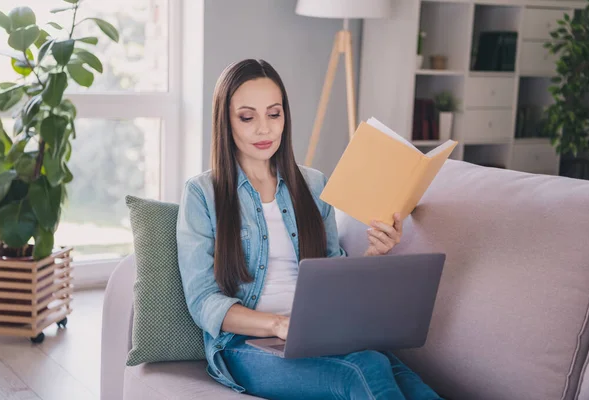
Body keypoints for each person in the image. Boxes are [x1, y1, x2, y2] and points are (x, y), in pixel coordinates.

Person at [176, 59, 442, 400]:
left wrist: (374, 255)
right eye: (247, 117)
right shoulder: (202, 193)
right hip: (247, 345)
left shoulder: (313, 185)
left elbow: (331, 273)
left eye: (274, 114)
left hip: (323, 333)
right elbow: (202, 301)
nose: (264, 129)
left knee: (409, 383)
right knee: (365, 370)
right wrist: (277, 324)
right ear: (225, 121)